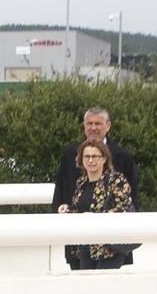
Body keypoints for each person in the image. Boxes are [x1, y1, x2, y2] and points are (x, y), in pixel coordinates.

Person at [58, 138, 136, 270]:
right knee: (86, 286)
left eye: (95, 156)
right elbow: (80, 208)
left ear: (104, 159)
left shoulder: (115, 180)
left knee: (103, 286)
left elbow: (124, 207)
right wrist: (67, 209)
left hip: (110, 247)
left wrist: (98, 216)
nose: (90, 160)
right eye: (87, 156)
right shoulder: (81, 183)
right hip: (86, 244)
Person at [51, 107, 141, 210]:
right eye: (89, 123)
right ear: (84, 125)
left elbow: (132, 197)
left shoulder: (124, 156)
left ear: (108, 126)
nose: (93, 128)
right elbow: (61, 189)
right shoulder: (69, 154)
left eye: (98, 124)